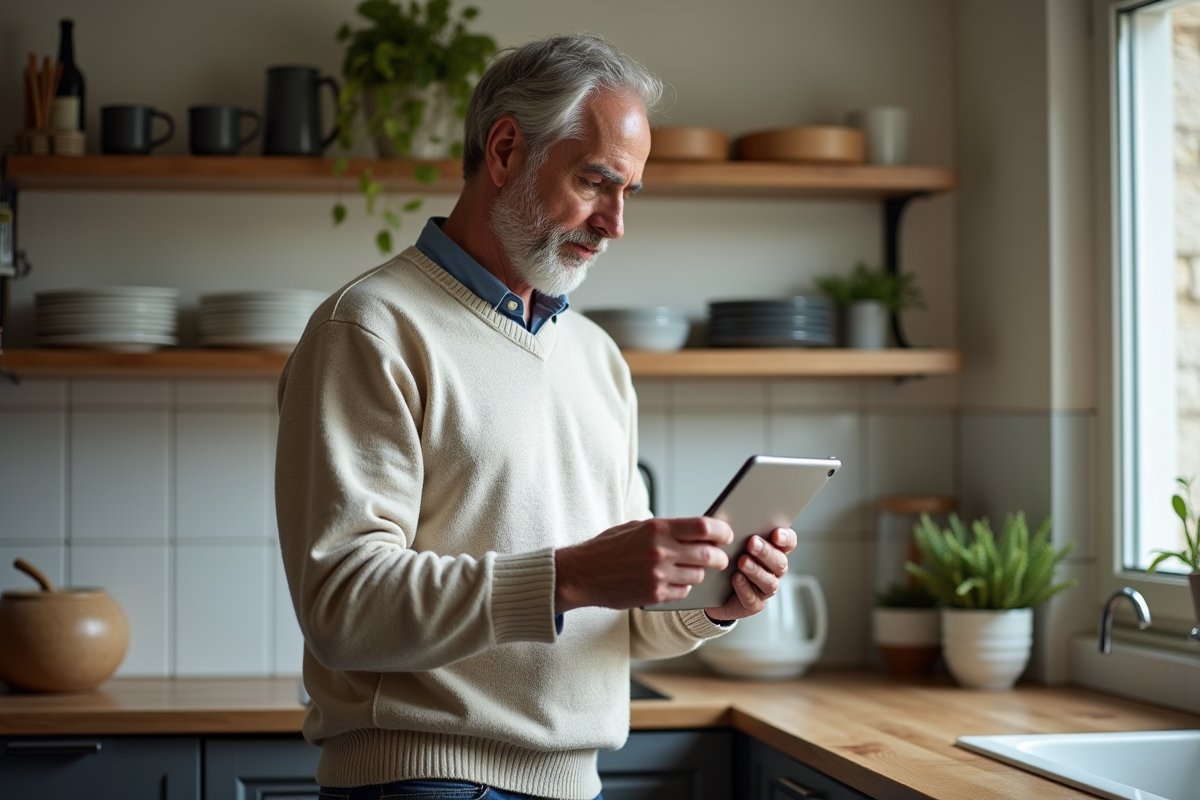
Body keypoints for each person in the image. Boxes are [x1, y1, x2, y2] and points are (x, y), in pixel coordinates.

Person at [275, 32, 797, 800]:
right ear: (507, 150)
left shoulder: (596, 357)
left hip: (574, 784)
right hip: (424, 781)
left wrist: (712, 602)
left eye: (629, 193)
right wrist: (571, 576)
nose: (615, 222)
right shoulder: (372, 328)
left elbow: (621, 619)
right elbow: (343, 607)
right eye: (595, 181)